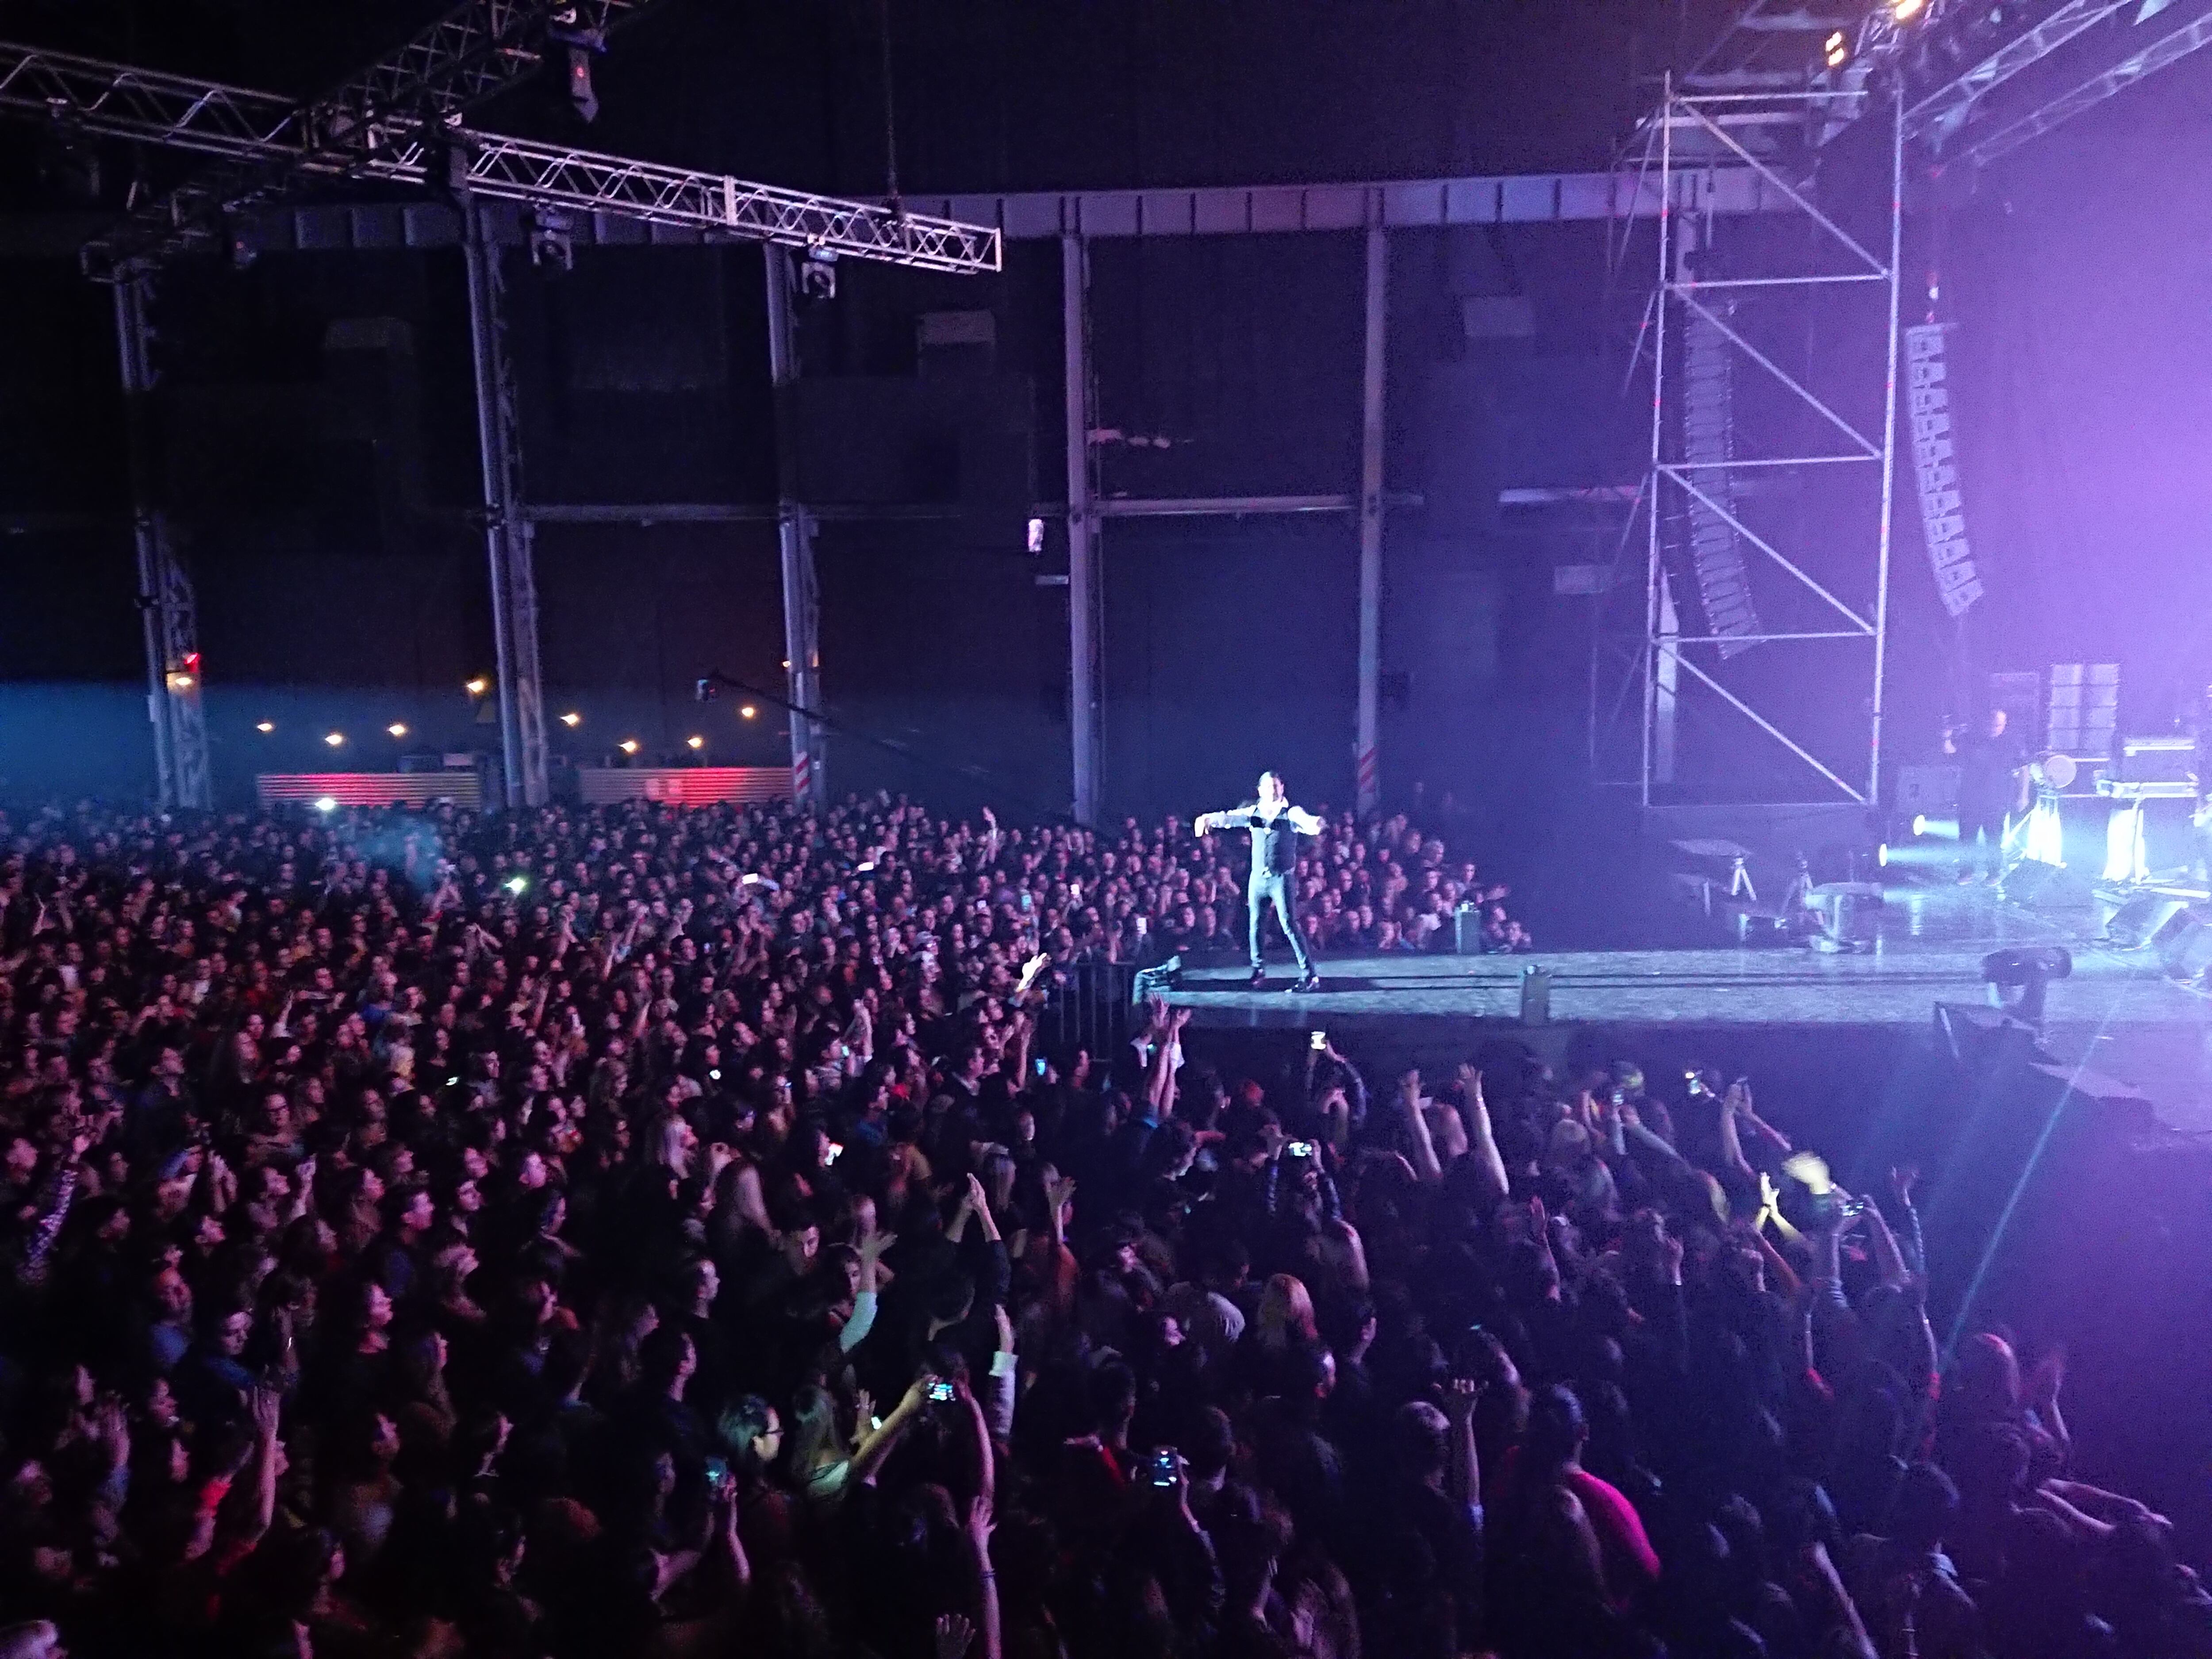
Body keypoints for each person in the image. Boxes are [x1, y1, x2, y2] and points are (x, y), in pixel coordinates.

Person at [1196, 770, 1325, 991]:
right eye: (1268, 787)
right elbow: (1229, 818)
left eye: (1276, 786)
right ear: (1260, 791)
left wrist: (1317, 824)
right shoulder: (1253, 812)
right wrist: (1208, 819)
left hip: (1281, 878)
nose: (1273, 790)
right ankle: (1258, 969)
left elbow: (1308, 822)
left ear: (1282, 788)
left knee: (1289, 925)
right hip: (1258, 880)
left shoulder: (1291, 813)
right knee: (1256, 924)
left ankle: (1310, 974)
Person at [1944, 709, 2027, 884]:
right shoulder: (1971, 739)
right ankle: (1967, 872)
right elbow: (1951, 753)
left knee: (1994, 838)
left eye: (1998, 725)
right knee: (1967, 838)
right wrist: (1946, 737)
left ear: (2005, 725)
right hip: (1970, 798)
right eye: (1992, 724)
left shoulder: (2012, 743)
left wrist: (2023, 795)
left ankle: (1995, 873)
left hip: (1997, 799)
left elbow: (2023, 769)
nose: (1994, 728)